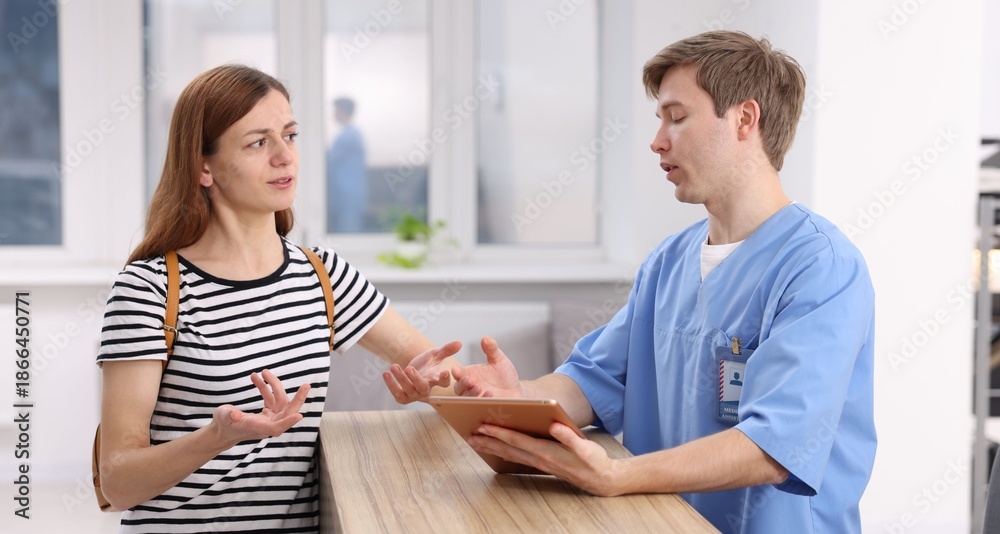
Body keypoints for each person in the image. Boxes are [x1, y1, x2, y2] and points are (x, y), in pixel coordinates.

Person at [448, 30, 876, 534]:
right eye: (660, 121)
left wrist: (617, 474)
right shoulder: (668, 261)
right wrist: (515, 395)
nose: (658, 141)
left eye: (677, 117)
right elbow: (593, 379)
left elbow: (775, 446)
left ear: (745, 119)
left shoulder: (821, 267)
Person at [96, 65, 460, 532]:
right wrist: (215, 437)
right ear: (203, 167)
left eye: (290, 135)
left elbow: (436, 372)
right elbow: (119, 482)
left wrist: (435, 387)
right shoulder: (148, 290)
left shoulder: (323, 275)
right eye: (257, 142)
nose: (285, 157)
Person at [326, 96, 368, 233]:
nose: (333, 114)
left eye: (336, 110)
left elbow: (331, 159)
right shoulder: (348, 134)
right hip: (344, 193)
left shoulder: (349, 136)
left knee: (348, 232)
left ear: (343, 111)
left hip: (347, 194)